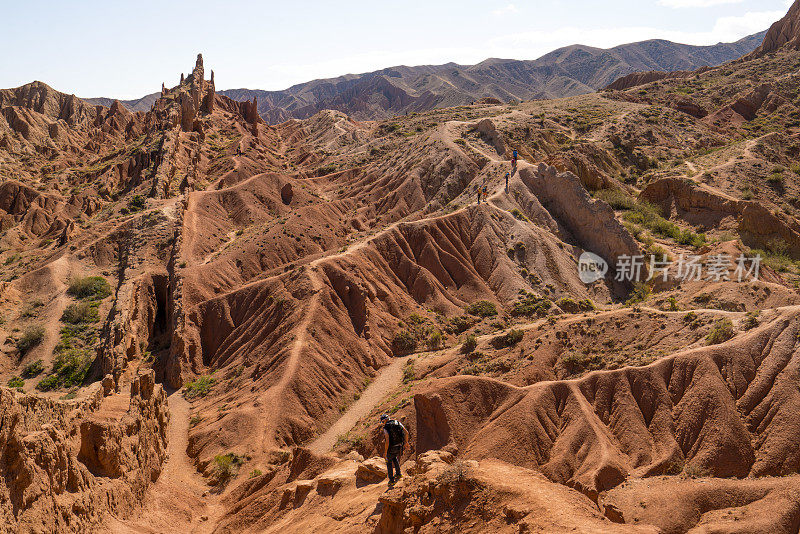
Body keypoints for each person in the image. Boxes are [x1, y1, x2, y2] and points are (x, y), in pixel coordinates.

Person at [381, 414, 409, 485]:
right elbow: (406, 432)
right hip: (400, 445)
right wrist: (406, 442)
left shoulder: (385, 428)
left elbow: (387, 441)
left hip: (392, 446)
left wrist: (385, 452)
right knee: (394, 457)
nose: (382, 423)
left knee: (388, 461)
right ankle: (398, 474)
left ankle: (391, 480)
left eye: (382, 421)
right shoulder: (397, 422)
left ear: (384, 420)